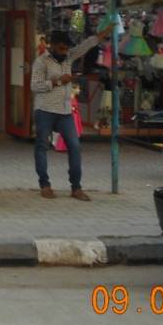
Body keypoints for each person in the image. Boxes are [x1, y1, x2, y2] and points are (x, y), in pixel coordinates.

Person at [31, 26, 111, 201]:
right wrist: (57, 82)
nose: (64, 51)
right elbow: (35, 86)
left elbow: (85, 46)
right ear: (52, 46)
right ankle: (44, 184)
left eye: (66, 48)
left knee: (75, 147)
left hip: (65, 111)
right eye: (61, 48)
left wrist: (102, 35)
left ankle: (76, 187)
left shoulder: (68, 57)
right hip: (45, 110)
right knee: (42, 147)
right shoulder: (41, 62)